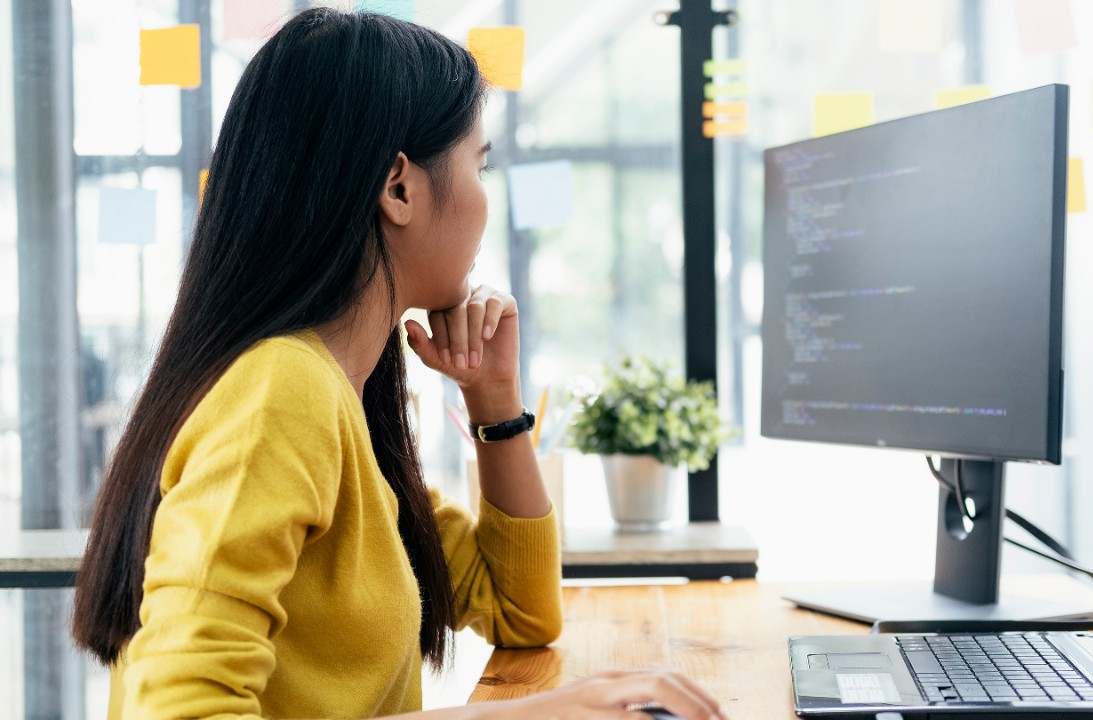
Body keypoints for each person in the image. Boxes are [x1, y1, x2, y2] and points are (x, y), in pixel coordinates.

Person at [70, 8, 726, 720]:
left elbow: (520, 611)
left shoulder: (344, 397)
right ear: (399, 187)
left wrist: (494, 397)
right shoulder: (281, 392)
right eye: (479, 165)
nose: (484, 198)